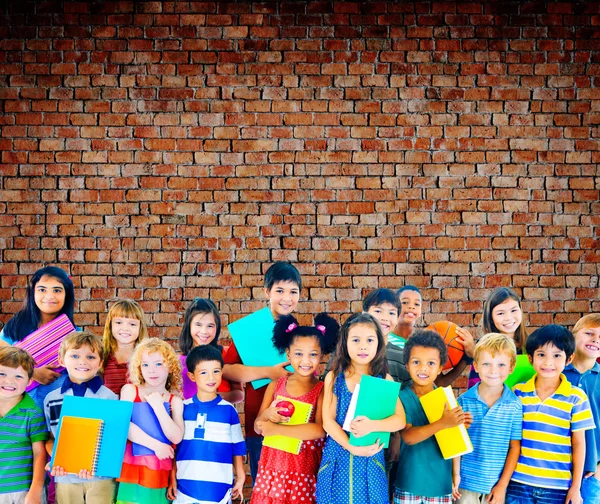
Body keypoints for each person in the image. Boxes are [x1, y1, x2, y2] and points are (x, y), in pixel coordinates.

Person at [223, 261, 301, 484]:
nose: (287, 298)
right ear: (267, 292)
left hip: (295, 423)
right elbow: (228, 370)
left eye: (293, 291)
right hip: (260, 421)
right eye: (280, 291)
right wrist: (269, 372)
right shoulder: (250, 330)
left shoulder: (300, 331)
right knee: (263, 487)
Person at [316, 312, 406, 504]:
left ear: (378, 345)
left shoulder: (383, 381)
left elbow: (400, 420)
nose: (363, 346)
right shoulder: (335, 378)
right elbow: (328, 421)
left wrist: (372, 425)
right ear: (345, 343)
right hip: (337, 457)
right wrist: (350, 446)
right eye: (356, 340)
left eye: (370, 340)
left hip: (370, 463)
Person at [251, 313, 339, 504]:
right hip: (272, 468)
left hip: (302, 469)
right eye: (298, 354)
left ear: (321, 355)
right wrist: (266, 415)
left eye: (313, 354)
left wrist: (277, 429)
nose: (305, 361)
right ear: (288, 354)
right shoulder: (276, 385)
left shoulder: (321, 389)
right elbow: (258, 426)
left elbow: (320, 430)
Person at [507, 325, 595, 504]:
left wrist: (575, 488)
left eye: (557, 355)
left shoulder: (576, 397)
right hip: (518, 483)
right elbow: (511, 440)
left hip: (557, 487)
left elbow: (579, 444)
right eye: (541, 355)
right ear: (530, 358)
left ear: (569, 359)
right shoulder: (518, 393)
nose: (548, 362)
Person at [393, 330, 472, 504]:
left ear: (440, 368)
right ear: (407, 365)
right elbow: (408, 437)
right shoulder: (401, 398)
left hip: (440, 486)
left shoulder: (446, 398)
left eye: (431, 363)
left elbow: (455, 444)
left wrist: (455, 474)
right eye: (416, 362)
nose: (423, 368)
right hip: (409, 483)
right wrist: (444, 423)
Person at [43, 332, 118, 504]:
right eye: (75, 355)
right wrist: (56, 458)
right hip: (65, 476)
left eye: (90, 357)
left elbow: (113, 440)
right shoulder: (51, 399)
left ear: (100, 363)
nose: (82, 362)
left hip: (101, 477)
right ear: (61, 360)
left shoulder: (110, 398)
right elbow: (51, 438)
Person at [168, 345, 246, 504]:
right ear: (191, 376)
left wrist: (241, 476)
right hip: (185, 491)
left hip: (219, 493)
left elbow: (237, 447)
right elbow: (175, 448)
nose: (211, 377)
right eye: (203, 372)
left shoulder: (228, 410)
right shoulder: (182, 408)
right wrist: (172, 477)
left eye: (216, 371)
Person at [452, 333, 523, 504]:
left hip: (495, 486)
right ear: (475, 366)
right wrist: (454, 475)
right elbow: (456, 441)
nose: (493, 371)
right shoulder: (463, 401)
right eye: (486, 364)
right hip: (465, 484)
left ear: (511, 367)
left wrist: (502, 485)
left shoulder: (514, 405)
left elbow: (515, 447)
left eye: (501, 365)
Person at [117, 339, 184, 504]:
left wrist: (159, 408)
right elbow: (123, 425)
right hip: (132, 466)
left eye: (158, 364)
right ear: (139, 368)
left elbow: (176, 437)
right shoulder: (130, 390)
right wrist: (156, 445)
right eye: (145, 365)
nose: (151, 370)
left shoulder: (174, 400)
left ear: (170, 367)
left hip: (159, 469)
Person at [0, 266, 76, 408]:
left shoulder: (74, 334)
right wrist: (33, 373)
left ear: (67, 294)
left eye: (57, 290)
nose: (49, 295)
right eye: (42, 289)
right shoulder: (16, 326)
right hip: (17, 410)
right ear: (32, 293)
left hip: (57, 410)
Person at [0, 347, 48, 504]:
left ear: (29, 381)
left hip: (23, 491)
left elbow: (39, 454)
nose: (9, 381)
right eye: (2, 374)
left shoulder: (33, 412)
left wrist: (35, 490)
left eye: (18, 376)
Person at [563, 314, 600, 503]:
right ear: (573, 336)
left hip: (589, 473)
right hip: (553, 468)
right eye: (589, 333)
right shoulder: (555, 373)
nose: (596, 339)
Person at [177, 298, 243, 403]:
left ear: (217, 327)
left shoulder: (226, 354)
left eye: (210, 326)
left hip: (220, 416)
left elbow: (239, 394)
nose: (204, 331)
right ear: (189, 325)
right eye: (198, 325)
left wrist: (212, 397)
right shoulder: (178, 361)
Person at [468, 287, 528, 388]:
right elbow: (474, 390)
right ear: (491, 317)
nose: (509, 317)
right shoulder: (482, 349)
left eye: (514, 310)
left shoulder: (532, 346)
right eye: (500, 313)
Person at [102, 299, 149, 396]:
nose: (125, 328)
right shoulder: (102, 355)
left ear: (140, 327)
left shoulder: (146, 357)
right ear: (110, 325)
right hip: (108, 408)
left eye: (132, 324)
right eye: (118, 322)